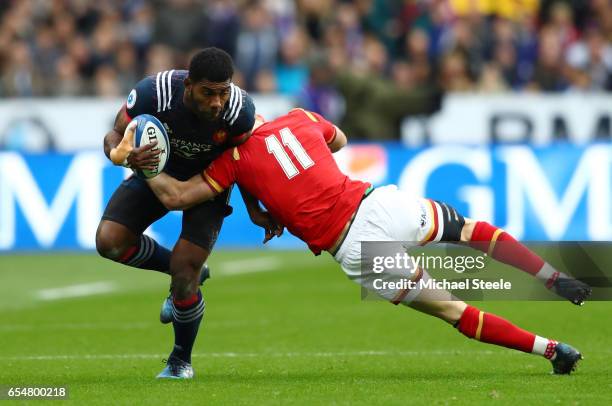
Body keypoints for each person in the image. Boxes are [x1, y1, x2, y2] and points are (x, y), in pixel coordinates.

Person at [140, 108, 591, 375]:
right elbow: (339, 140)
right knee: (472, 231)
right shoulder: (299, 117)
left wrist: (142, 163)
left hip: (357, 247)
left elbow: (178, 197)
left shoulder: (233, 160)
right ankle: (553, 277)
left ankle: (553, 350)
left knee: (454, 310)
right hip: (380, 206)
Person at [96, 47, 276, 379]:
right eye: (208, 93)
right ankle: (190, 271)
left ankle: (180, 360)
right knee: (109, 242)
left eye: (223, 92)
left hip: (209, 186)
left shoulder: (239, 112)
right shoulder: (154, 93)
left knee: (184, 275)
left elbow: (245, 161)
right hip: (157, 171)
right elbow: (115, 134)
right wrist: (120, 154)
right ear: (189, 85)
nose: (216, 102)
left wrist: (254, 209)